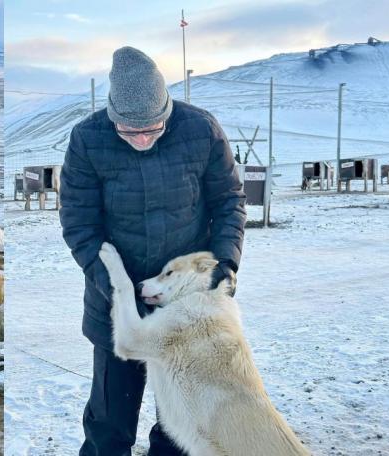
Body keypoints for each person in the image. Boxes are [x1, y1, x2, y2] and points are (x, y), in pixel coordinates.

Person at [59, 46, 246, 456]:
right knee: (108, 425)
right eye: (129, 131)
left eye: (153, 128)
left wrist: (224, 263)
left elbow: (229, 202)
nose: (142, 138)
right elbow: (79, 223)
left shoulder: (202, 130)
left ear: (167, 107)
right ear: (112, 115)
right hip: (116, 308)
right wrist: (114, 285)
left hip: (186, 308)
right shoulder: (88, 140)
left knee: (180, 426)